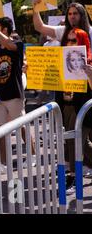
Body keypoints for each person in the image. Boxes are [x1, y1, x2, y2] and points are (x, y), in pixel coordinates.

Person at [0, 17, 35, 171]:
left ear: (5, 29)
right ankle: (3, 162)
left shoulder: (17, 45)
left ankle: (31, 155)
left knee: (21, 126)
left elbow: (9, 45)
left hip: (14, 94)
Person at [56, 28, 92, 194]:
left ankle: (73, 179)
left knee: (75, 142)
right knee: (81, 144)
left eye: (74, 40)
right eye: (68, 40)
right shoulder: (62, 60)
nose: (70, 44)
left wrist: (89, 74)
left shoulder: (89, 61)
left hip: (83, 109)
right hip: (67, 106)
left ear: (82, 42)